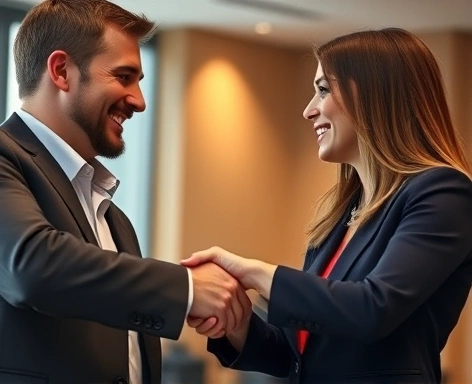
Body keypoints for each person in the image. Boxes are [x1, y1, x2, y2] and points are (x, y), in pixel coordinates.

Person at [0, 0, 250, 383]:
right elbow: (30, 266)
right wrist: (187, 290)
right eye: (124, 76)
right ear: (61, 71)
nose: (139, 101)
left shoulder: (115, 220)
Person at [182, 28, 472, 384]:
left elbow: (372, 310)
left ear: (373, 94)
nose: (308, 110)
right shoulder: (344, 212)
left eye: (323, 90)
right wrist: (236, 322)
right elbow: (297, 357)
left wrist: (253, 272)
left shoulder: (444, 192)